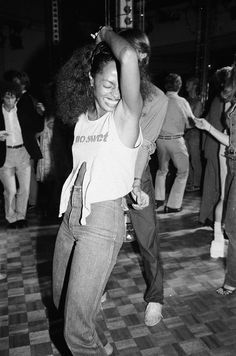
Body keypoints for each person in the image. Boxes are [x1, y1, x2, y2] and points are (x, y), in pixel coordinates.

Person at [52, 26, 148, 355]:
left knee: (74, 332)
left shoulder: (124, 116)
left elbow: (129, 56)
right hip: (72, 217)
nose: (115, 93)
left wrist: (106, 33)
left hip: (102, 221)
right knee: (63, 301)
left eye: (121, 86)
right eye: (108, 83)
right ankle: (103, 347)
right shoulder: (82, 119)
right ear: (90, 78)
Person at [119, 28, 168, 326]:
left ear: (144, 57)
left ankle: (156, 297)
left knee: (147, 240)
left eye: (134, 53)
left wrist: (135, 183)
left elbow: (145, 146)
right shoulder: (106, 87)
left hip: (137, 171)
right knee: (101, 237)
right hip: (105, 172)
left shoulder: (157, 99)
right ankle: (93, 287)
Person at [194, 62, 236, 296]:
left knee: (231, 221)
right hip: (229, 159)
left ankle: (230, 276)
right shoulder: (230, 103)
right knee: (229, 216)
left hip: (231, 159)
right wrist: (208, 127)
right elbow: (230, 139)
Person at [4, 70, 45, 211]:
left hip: (25, 143)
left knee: (28, 174)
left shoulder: (27, 100)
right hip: (16, 142)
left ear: (22, 83)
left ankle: (32, 203)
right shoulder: (17, 99)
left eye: (15, 82)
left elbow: (36, 123)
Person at [155, 73, 194, 213]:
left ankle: (158, 199)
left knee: (162, 170)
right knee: (183, 172)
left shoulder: (159, 99)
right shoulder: (182, 101)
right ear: (179, 86)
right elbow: (190, 123)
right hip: (176, 140)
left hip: (160, 140)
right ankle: (173, 205)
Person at [0, 80, 33, 228]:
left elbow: (36, 125)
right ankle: (10, 217)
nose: (10, 101)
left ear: (17, 98)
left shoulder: (23, 111)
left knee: (25, 189)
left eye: (13, 97)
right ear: (2, 97)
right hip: (5, 154)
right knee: (11, 190)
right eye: (7, 97)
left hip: (22, 152)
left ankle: (21, 216)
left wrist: (39, 113)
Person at [184, 76, 203, 192]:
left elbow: (194, 119)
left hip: (194, 133)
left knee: (195, 159)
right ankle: (190, 182)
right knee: (186, 159)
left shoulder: (198, 102)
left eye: (189, 82)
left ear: (195, 85)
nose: (186, 84)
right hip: (186, 132)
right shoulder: (185, 100)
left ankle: (196, 183)